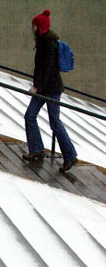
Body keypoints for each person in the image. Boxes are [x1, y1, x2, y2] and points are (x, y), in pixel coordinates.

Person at [23, 9, 78, 172]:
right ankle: (37, 150)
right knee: (31, 116)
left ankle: (70, 155)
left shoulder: (47, 44)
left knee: (54, 122)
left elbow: (46, 69)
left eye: (33, 26)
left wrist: (36, 86)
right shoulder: (44, 41)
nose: (31, 29)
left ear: (39, 28)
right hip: (46, 88)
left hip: (49, 89)